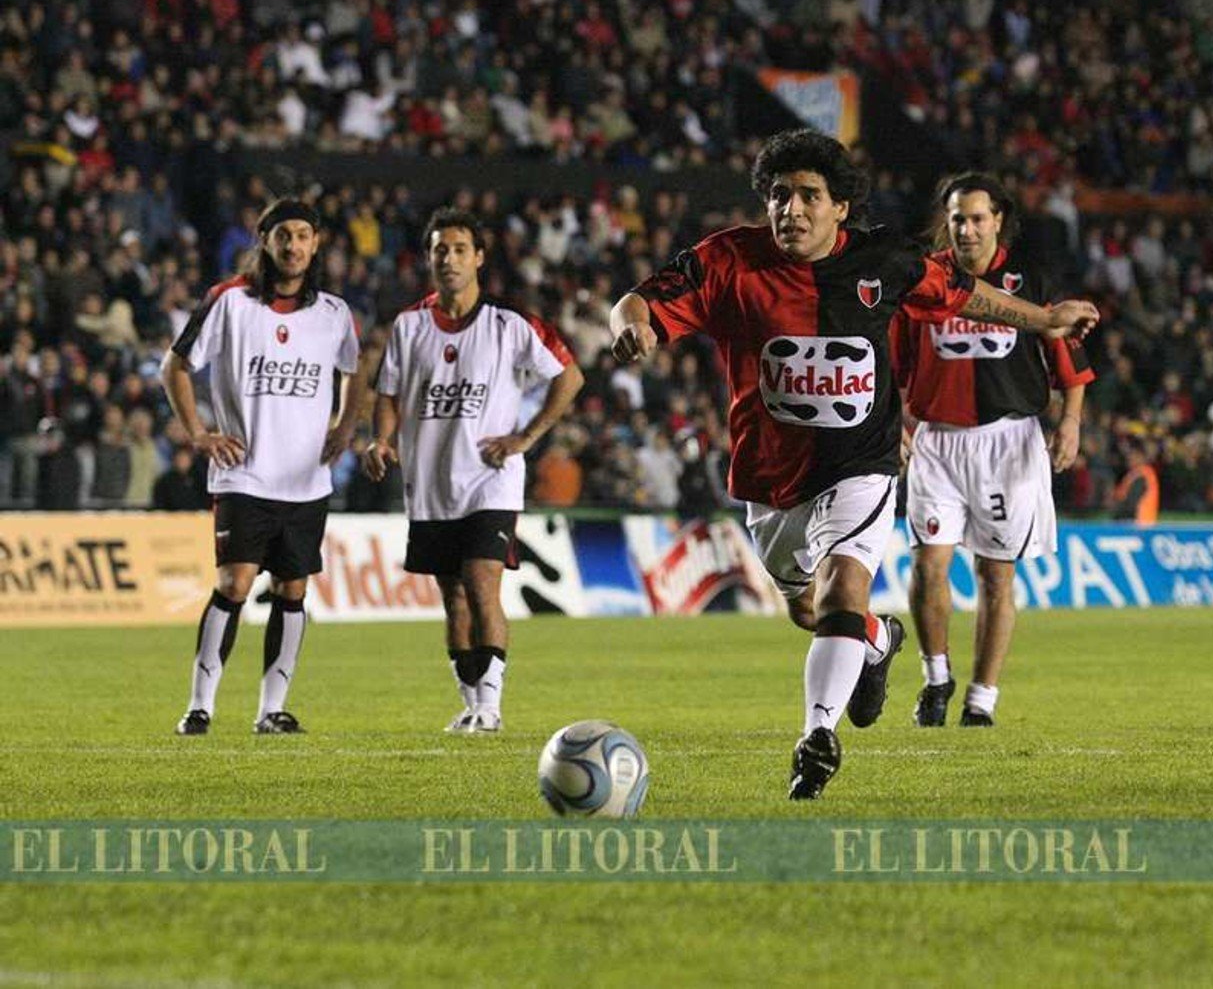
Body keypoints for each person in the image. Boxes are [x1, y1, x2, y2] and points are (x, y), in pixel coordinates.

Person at [609, 129, 1098, 800]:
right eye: (780, 196)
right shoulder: (727, 260)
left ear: (840, 208)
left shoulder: (886, 259)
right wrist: (629, 329)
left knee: (844, 588)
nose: (792, 209)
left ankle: (817, 736)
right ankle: (876, 641)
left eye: (809, 196)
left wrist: (1043, 320)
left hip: (860, 464)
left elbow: (966, 296)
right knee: (810, 611)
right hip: (768, 475)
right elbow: (637, 300)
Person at [364, 208, 583, 734]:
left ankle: (491, 706)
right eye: (441, 249)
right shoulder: (409, 326)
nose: (450, 259)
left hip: (491, 481)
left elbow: (569, 376)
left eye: (460, 249)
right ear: (429, 258)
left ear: (479, 258)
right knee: (453, 596)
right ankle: (469, 703)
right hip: (432, 486)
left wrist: (524, 437)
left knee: (482, 583)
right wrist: (381, 439)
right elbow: (388, 395)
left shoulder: (509, 324)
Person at [892, 172, 1095, 729]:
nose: (968, 229)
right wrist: (896, 419)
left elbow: (1068, 359)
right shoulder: (925, 283)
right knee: (929, 564)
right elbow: (895, 365)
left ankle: (982, 700)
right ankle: (936, 678)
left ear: (998, 221)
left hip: (1009, 442)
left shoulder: (1030, 281)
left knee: (995, 576)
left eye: (978, 218)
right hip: (938, 440)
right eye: (958, 218)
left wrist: (1071, 422)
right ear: (947, 223)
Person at [162, 198, 362, 736]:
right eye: (283, 236)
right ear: (265, 242)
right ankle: (199, 705)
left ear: (315, 243)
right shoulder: (229, 302)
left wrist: (345, 425)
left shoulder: (334, 314)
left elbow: (353, 371)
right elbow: (174, 367)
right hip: (244, 474)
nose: (293, 246)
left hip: (305, 481)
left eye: (302, 235)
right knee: (235, 581)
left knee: (292, 590)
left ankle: (271, 709)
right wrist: (199, 433)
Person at [1112, 441, 1161, 524]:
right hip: (1139, 523)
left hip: (1137, 524)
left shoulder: (1142, 477)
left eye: (1133, 455)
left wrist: (1117, 517)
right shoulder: (1136, 475)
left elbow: (1131, 505)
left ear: (1141, 457)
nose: (1129, 458)